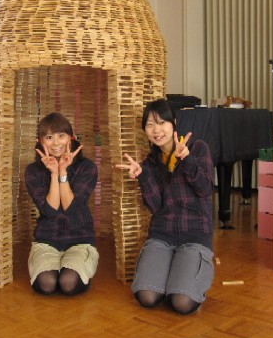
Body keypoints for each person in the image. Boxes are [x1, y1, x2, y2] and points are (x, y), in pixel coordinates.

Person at [116, 99, 215, 314]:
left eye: (162, 122)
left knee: (182, 302)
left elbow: (206, 189)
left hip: (195, 235)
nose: (156, 130)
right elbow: (155, 207)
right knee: (147, 297)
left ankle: (188, 275)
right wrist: (143, 177)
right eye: (150, 125)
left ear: (174, 123)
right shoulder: (150, 163)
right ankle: (174, 273)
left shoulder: (197, 148)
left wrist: (187, 161)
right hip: (162, 236)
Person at [24, 112, 99, 296]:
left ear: (71, 138)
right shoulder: (32, 171)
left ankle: (76, 266)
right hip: (46, 241)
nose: (56, 143)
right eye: (49, 137)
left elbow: (70, 208)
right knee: (47, 284)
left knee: (68, 283)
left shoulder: (87, 167)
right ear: (40, 141)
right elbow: (50, 210)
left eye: (61, 135)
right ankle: (56, 265)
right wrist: (54, 174)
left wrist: (63, 172)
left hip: (80, 240)